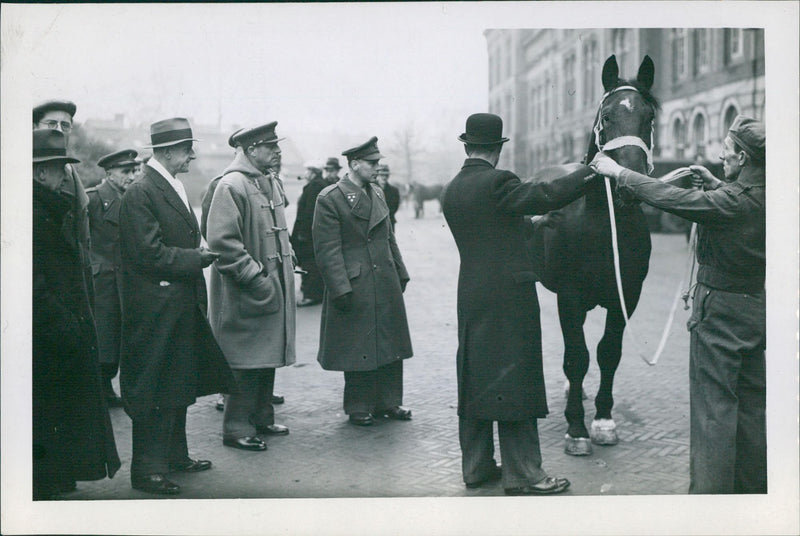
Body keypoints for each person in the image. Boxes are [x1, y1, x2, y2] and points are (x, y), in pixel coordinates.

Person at [590, 114, 766, 494]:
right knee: (752, 409)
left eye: (729, 150)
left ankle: (709, 501)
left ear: (744, 159)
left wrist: (617, 172)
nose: (723, 155)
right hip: (756, 311)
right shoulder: (767, 195)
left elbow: (672, 198)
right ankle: (751, 496)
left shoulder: (732, 203)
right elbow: (741, 200)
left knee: (713, 411)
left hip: (720, 314)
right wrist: (719, 184)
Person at [442, 113, 596, 495]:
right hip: (509, 298)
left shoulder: (453, 189)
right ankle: (525, 474)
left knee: (477, 377)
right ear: (497, 148)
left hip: (472, 295)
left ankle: (476, 467)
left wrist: (535, 223)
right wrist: (593, 171)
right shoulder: (499, 181)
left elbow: (495, 227)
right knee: (516, 380)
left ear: (467, 146)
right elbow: (546, 194)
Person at [119, 118, 233, 495]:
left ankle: (174, 456)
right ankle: (148, 471)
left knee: (176, 382)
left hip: (174, 304)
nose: (192, 155)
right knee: (154, 388)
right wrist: (195, 258)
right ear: (167, 151)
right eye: (187, 149)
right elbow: (147, 253)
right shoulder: (141, 191)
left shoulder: (170, 184)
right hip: (154, 309)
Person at [32, 129, 120, 499]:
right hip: (51, 332)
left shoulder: (49, 208)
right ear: (40, 174)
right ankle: (48, 479)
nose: (65, 175)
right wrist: (65, 325)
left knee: (54, 409)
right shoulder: (36, 214)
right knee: (50, 408)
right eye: (58, 168)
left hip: (58, 328)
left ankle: (56, 476)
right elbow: (34, 285)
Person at [206, 123, 296, 452]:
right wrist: (255, 279)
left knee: (266, 354)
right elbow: (222, 243)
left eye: (277, 145)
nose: (277, 152)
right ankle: (235, 427)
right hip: (247, 292)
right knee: (244, 360)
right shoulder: (232, 185)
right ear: (251, 150)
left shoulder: (267, 182)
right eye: (270, 146)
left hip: (270, 288)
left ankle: (261, 416)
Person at [313, 137, 413, 426]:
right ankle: (359, 405)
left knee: (390, 342)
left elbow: (388, 237)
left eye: (378, 162)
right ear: (354, 164)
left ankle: (390, 401)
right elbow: (327, 249)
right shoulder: (330, 198)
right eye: (372, 163)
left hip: (384, 278)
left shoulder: (378, 193)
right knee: (359, 347)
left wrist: (401, 271)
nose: (377, 168)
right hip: (355, 282)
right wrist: (340, 287)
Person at [86, 149, 139, 408]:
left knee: (117, 338)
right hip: (102, 283)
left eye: (134, 170)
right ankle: (99, 389)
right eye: (125, 171)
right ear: (109, 173)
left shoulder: (132, 199)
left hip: (123, 282)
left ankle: (105, 387)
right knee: (103, 339)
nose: (132, 176)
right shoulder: (93, 199)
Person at [291, 162, 329, 307]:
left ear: (313, 172)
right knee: (312, 263)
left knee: (309, 264)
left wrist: (303, 233)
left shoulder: (314, 186)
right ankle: (314, 292)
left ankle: (311, 295)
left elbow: (309, 212)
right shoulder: (318, 184)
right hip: (313, 233)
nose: (305, 173)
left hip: (307, 235)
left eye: (307, 171)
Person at [376, 164, 401, 229]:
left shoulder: (394, 191)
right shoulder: (370, 189)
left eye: (386, 175)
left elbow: (395, 207)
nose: (384, 177)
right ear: (377, 175)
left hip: (389, 222)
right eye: (382, 175)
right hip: (374, 224)